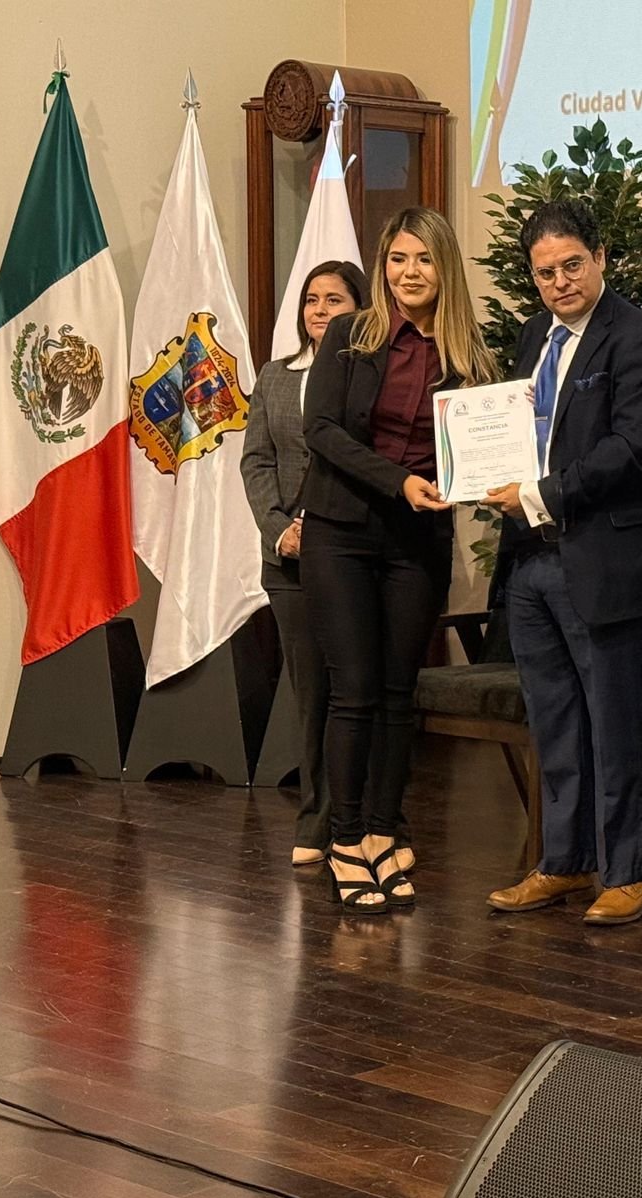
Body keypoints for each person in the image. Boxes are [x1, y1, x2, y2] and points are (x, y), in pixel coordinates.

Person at [483, 197, 642, 926]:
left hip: (602, 557)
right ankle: (564, 862)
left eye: (572, 265)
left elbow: (632, 449)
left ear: (601, 259)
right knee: (555, 723)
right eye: (545, 273)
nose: (560, 282)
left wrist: (541, 494)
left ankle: (626, 870)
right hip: (531, 558)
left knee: (615, 720)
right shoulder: (534, 336)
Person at [301, 208, 499, 913]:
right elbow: (320, 429)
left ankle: (384, 832)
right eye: (397, 258)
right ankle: (344, 841)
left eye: (423, 259)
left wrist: (481, 480)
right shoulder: (350, 335)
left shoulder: (468, 354)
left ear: (444, 268)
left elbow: (483, 446)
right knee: (353, 690)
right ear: (383, 265)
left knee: (396, 692)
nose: (409, 272)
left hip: (418, 540)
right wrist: (399, 482)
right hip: (341, 533)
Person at [240, 260, 367, 868]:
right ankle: (316, 818)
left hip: (352, 550)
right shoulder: (274, 376)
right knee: (312, 693)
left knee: (356, 689)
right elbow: (256, 461)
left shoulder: (371, 374)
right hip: (289, 559)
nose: (320, 310)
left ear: (360, 309)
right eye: (312, 300)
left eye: (334, 300)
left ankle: (364, 818)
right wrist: (279, 530)